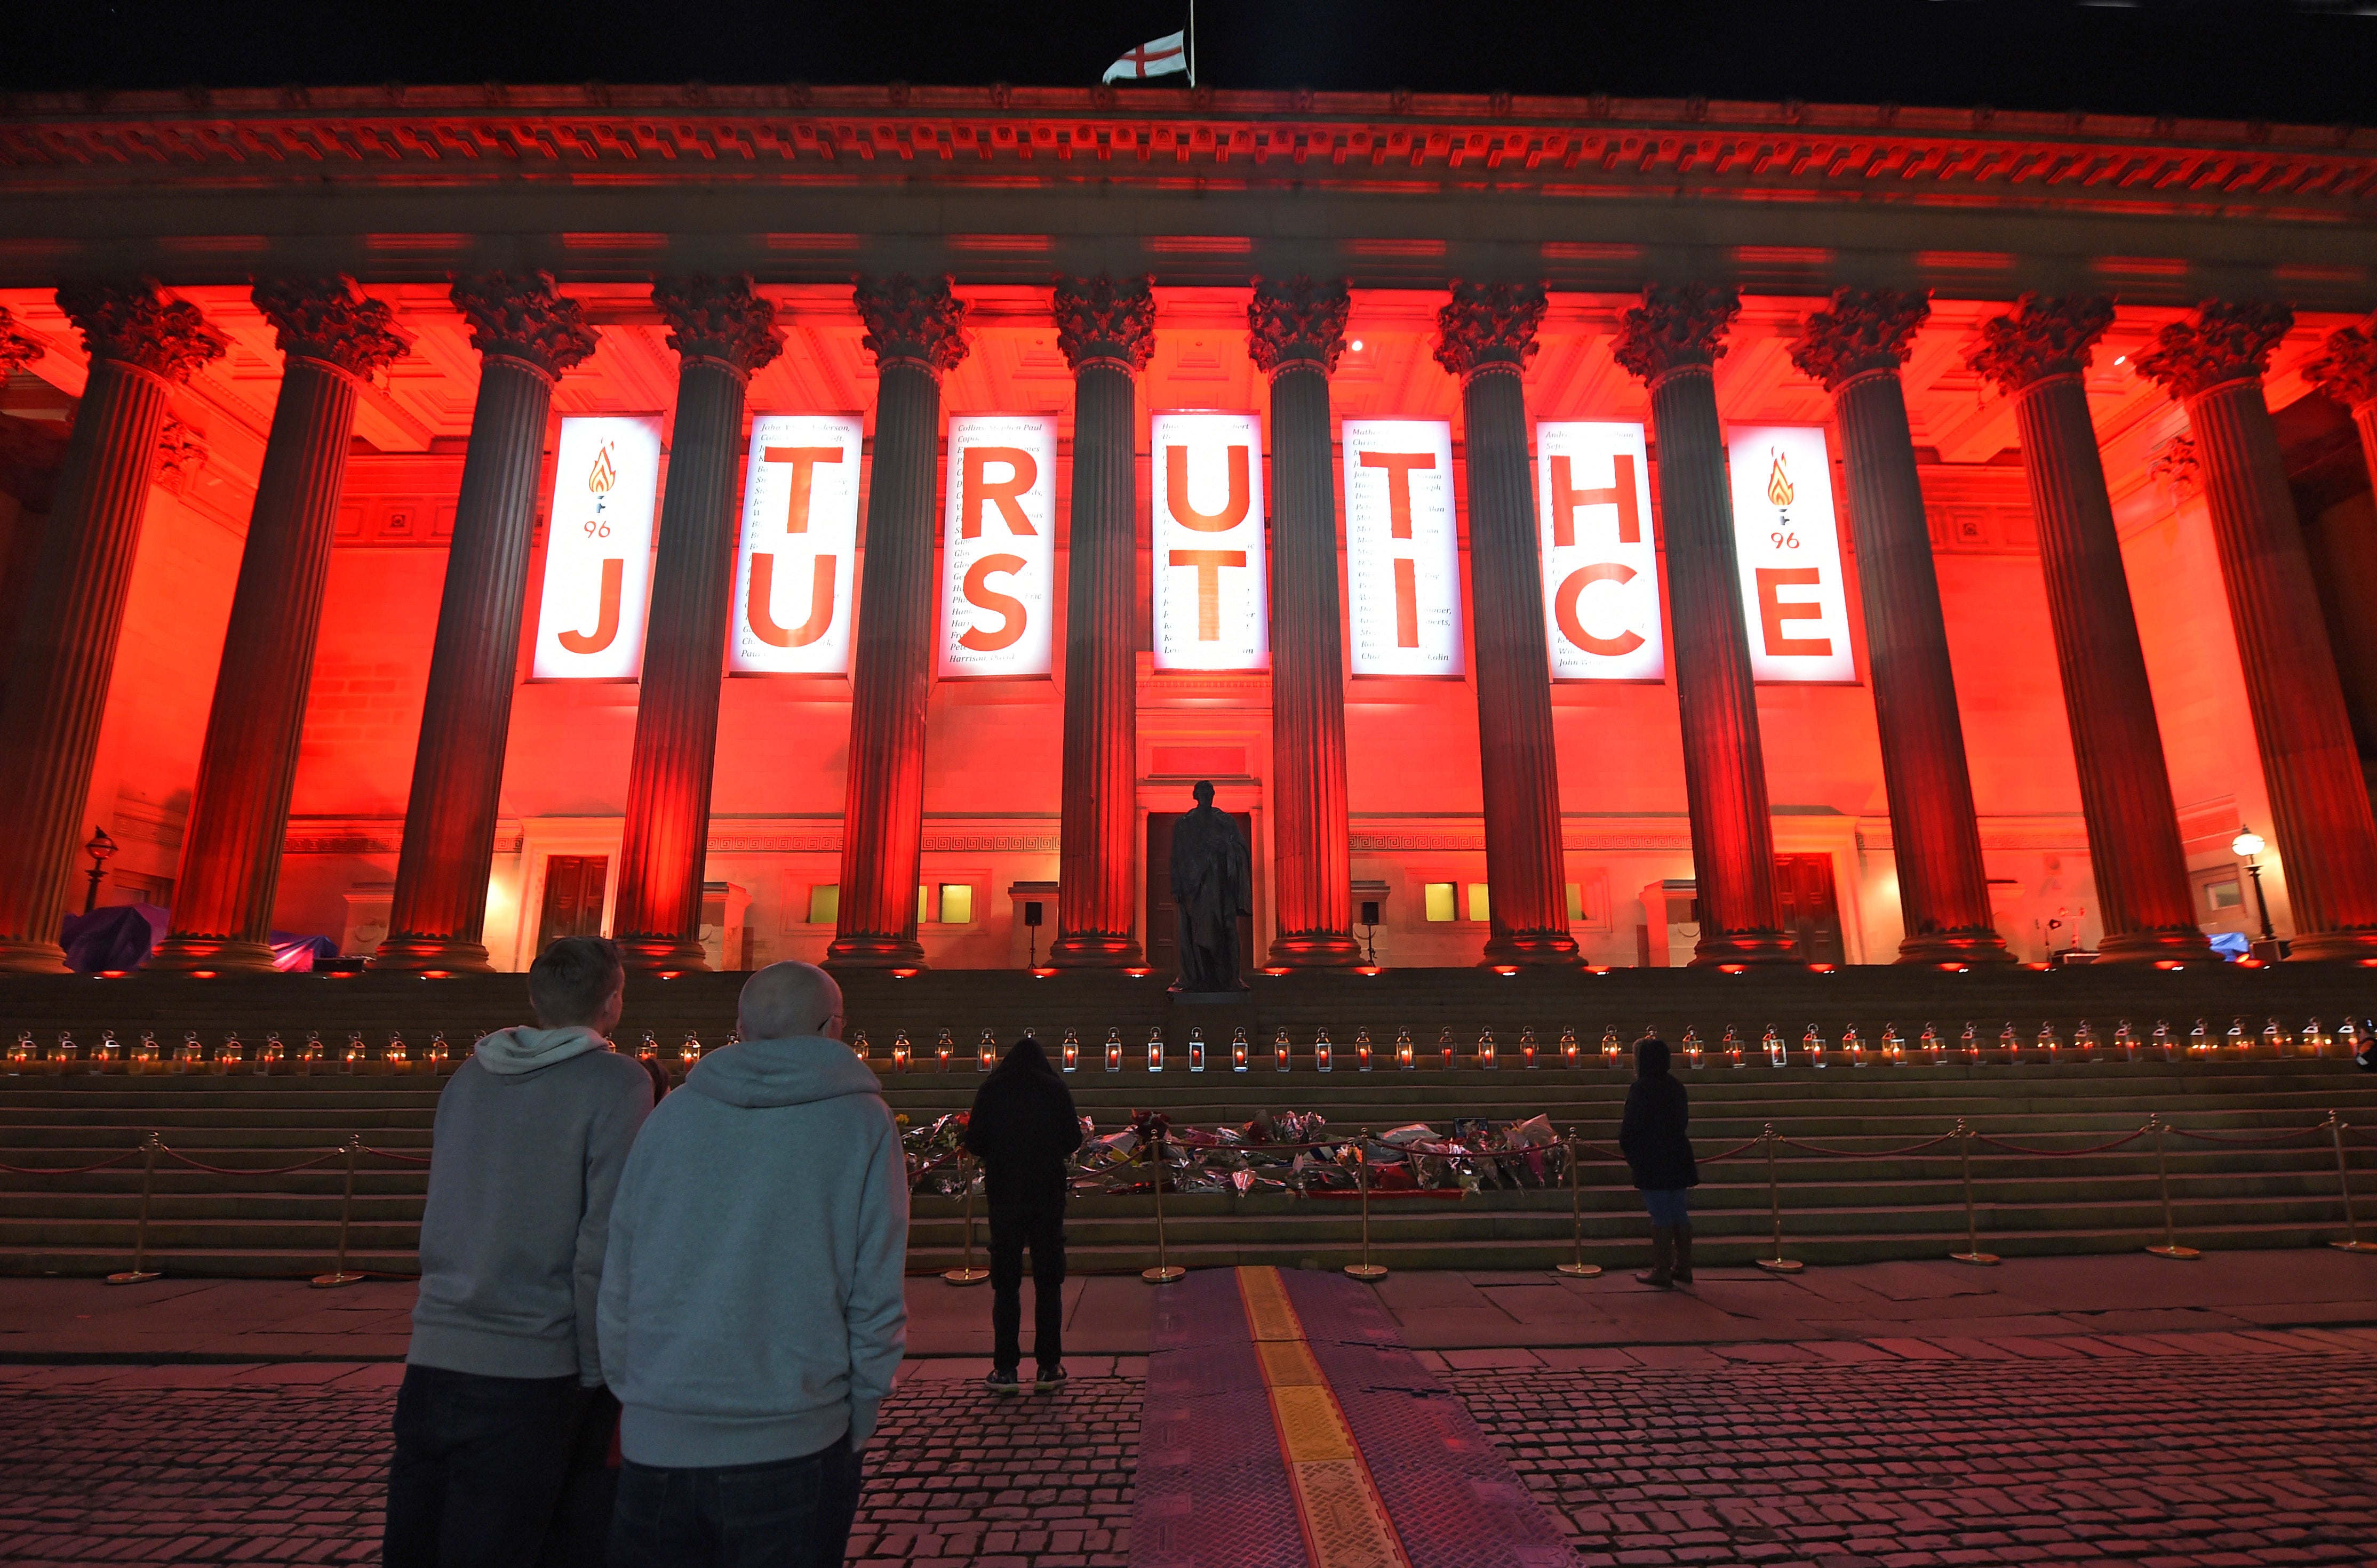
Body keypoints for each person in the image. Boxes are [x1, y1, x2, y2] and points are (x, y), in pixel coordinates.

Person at [599, 961, 906, 1568]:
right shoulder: (860, 1122)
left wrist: (636, 1391)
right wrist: (861, 1413)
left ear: (738, 1025)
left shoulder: (672, 1115)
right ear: (834, 1027)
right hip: (795, 1432)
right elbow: (875, 1284)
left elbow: (622, 1268)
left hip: (659, 1431)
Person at [384, 935, 654, 1567]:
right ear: (613, 1003)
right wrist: (600, 1366)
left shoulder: (469, 1075)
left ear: (533, 995)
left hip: (434, 1353)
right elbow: (603, 1237)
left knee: (419, 1541)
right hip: (537, 1365)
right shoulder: (617, 1082)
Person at [962, 1031, 1086, 1394]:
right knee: (1049, 1281)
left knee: (1007, 1284)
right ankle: (1049, 1366)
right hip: (1046, 1195)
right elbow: (1073, 1139)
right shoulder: (1054, 1089)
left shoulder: (992, 1089)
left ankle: (1005, 1369)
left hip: (1005, 1196)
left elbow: (975, 1141)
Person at [1618, 1035, 1698, 1290]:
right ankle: (1683, 1265)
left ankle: (1661, 1269)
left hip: (1653, 1157)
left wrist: (1633, 1154)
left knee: (1660, 1214)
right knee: (1679, 1211)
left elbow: (1631, 1127)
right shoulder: (1676, 1086)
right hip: (1677, 1154)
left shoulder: (1642, 1088)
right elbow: (1682, 1121)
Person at [1169, 779, 1251, 991]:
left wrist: (1224, 847)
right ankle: (1197, 978)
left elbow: (1241, 849)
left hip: (1221, 886)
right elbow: (1176, 857)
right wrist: (1177, 885)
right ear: (1195, 796)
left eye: (1210, 793)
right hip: (1193, 887)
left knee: (1227, 929)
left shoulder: (1225, 821)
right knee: (1195, 932)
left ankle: (1232, 977)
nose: (1207, 797)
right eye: (1202, 793)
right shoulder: (1184, 823)